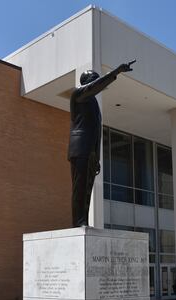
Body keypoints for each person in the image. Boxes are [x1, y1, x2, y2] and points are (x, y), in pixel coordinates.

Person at [68, 60, 135, 227]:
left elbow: (96, 133)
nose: (98, 84)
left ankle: (83, 220)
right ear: (86, 81)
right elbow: (94, 87)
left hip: (90, 151)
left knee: (87, 189)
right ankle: (78, 222)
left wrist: (97, 156)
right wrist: (116, 72)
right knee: (80, 189)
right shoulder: (78, 94)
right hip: (80, 148)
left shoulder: (93, 103)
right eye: (95, 79)